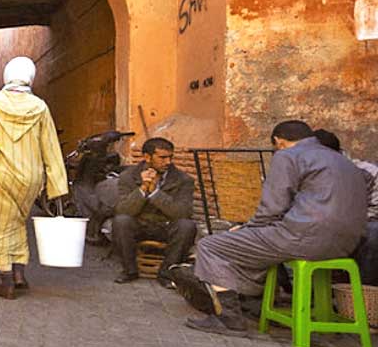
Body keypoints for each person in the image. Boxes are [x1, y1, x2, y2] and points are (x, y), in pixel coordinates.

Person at [168, 120, 367, 334]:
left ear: (278, 142)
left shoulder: (287, 155)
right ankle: (253, 301)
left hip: (304, 238)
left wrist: (247, 229)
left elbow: (272, 208)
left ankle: (229, 318)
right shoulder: (343, 160)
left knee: (211, 245)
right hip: (347, 244)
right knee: (253, 249)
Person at [0, 56, 69, 299]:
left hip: (1, 174)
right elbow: (50, 145)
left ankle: (6, 281)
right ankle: (20, 276)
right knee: (18, 223)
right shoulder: (40, 107)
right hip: (31, 176)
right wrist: (57, 185)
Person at [111, 137, 196, 285]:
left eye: (170, 157)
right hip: (140, 225)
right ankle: (129, 271)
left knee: (187, 225)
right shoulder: (128, 177)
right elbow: (123, 209)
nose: (168, 162)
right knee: (121, 221)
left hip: (166, 226)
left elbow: (183, 212)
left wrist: (156, 193)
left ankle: (166, 274)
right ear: (147, 157)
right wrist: (143, 189)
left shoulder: (183, 180)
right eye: (162, 157)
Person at [315, 129, 378, 285]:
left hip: (362, 225)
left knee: (374, 233)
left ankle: (363, 293)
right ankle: (293, 288)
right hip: (322, 227)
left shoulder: (367, 172)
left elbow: (374, 210)